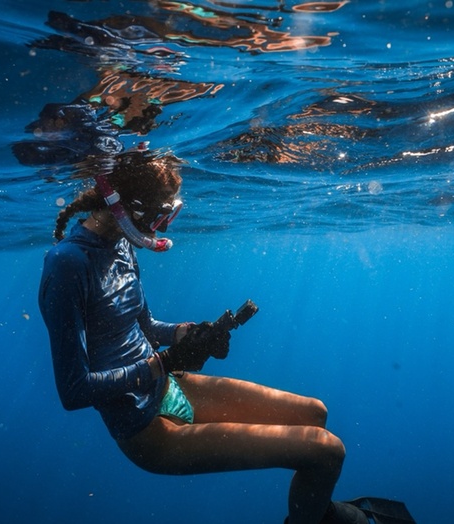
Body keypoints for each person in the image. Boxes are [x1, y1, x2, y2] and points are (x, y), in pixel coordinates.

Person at [38, 149, 349, 524]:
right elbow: (74, 391)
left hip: (169, 385)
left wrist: (189, 333)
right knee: (326, 452)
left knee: (316, 413)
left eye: (169, 214)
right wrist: (163, 363)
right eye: (159, 215)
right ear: (127, 207)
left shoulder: (120, 243)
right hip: (147, 431)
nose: (163, 227)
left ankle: (318, 513)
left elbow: (146, 327)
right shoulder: (67, 264)